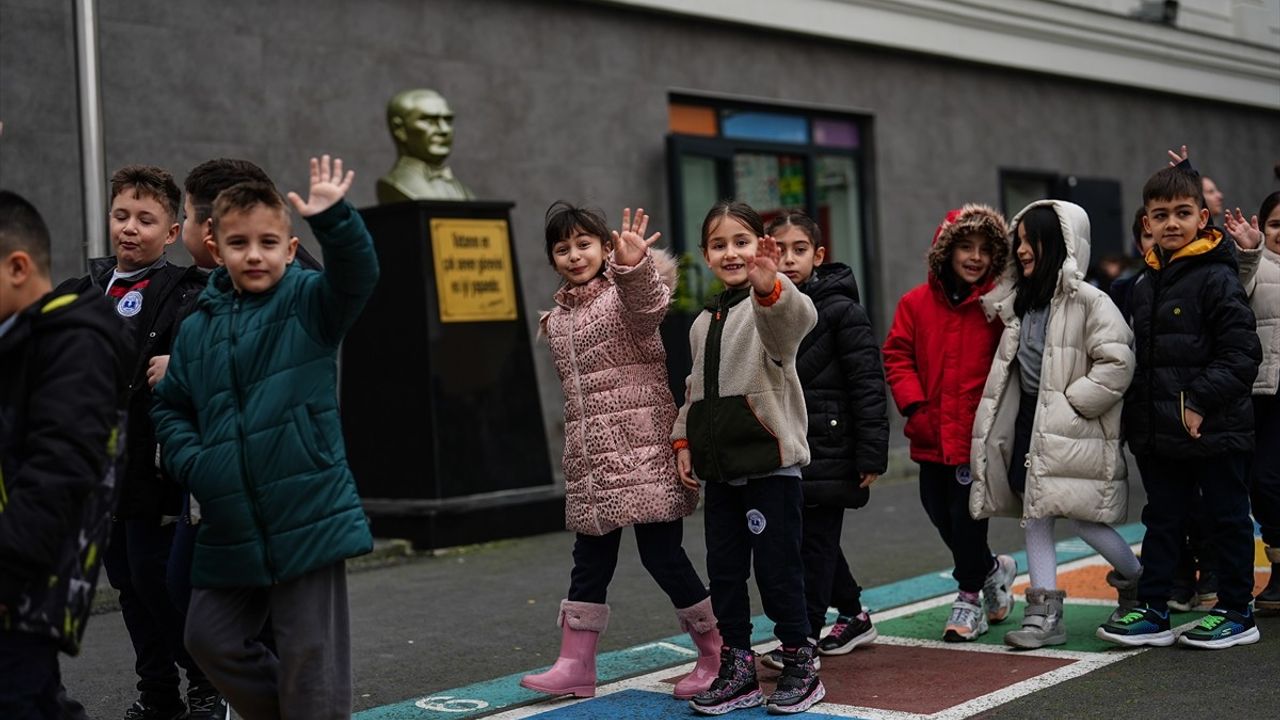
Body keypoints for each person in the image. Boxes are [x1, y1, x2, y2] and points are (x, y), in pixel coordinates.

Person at [151, 155, 378, 717]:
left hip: (306, 511)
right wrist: (196, 464)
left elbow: (358, 275)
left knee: (310, 662)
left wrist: (336, 218)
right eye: (240, 243)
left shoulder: (308, 302)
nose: (254, 254)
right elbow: (172, 405)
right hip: (230, 517)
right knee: (208, 638)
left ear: (289, 247)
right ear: (216, 245)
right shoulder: (199, 326)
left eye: (268, 242)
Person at [519, 203, 716, 701]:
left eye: (584, 243)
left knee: (662, 556)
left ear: (606, 249)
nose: (573, 254)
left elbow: (648, 303)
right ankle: (574, 665)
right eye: (561, 248)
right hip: (592, 463)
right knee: (589, 560)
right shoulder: (561, 315)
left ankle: (716, 651)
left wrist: (632, 266)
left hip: (642, 452)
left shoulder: (623, 297)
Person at [59, 165, 213, 720]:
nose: (130, 228)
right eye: (121, 215)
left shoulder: (184, 290)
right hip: (100, 474)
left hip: (154, 469)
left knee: (158, 583)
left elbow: (214, 345)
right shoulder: (85, 290)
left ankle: (205, 687)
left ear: (172, 233)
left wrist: (185, 363)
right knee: (125, 584)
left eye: (146, 220)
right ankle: (158, 694)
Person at [1097, 165, 1262, 650]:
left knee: (1227, 519)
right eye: (1161, 214)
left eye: (1183, 213)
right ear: (1146, 223)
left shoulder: (1217, 275)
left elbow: (1241, 353)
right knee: (1163, 518)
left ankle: (1237, 611)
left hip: (1216, 427)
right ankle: (1153, 608)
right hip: (1160, 432)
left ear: (1202, 217)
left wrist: (1198, 402)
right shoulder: (1146, 282)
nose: (1172, 223)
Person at [673, 201, 823, 715]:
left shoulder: (769, 306)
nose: (731, 252)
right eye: (719, 244)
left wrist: (769, 285)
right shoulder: (701, 323)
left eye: (741, 241)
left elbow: (794, 324)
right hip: (723, 473)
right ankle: (737, 664)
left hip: (770, 467)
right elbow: (694, 392)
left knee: (778, 569)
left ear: (762, 247)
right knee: (726, 571)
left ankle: (800, 658)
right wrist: (683, 441)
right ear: (705, 255)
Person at [969, 201, 1141, 648]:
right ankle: (1045, 614)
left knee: (1086, 520)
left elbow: (1118, 362)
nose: (1022, 249)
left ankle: (1140, 583)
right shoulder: (1021, 302)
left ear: (1061, 243)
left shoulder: (1089, 300)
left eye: (1031, 240)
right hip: (1033, 422)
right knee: (1036, 516)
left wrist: (1073, 403)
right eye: (1019, 240)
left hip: (1072, 425)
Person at [0, 190, 126, 718]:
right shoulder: (20, 338)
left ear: (17, 266)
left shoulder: (74, 340)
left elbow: (60, 470)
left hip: (20, 586)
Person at [882, 204, 1017, 643]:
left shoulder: (997, 307)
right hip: (929, 431)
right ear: (947, 251)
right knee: (938, 513)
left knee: (967, 518)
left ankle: (968, 598)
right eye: (965, 247)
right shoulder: (915, 304)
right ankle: (994, 568)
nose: (975, 257)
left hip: (976, 435)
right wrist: (914, 407)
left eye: (984, 249)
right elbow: (897, 355)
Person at [758, 210, 886, 672]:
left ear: (819, 255)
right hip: (786, 444)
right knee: (812, 540)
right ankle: (853, 614)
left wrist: (871, 452)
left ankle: (804, 636)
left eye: (800, 250)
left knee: (810, 544)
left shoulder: (841, 310)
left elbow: (867, 382)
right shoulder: (762, 305)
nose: (790, 260)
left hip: (831, 448)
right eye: (781, 250)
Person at [1224, 192, 1280, 611]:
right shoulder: (1254, 264)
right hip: (1263, 393)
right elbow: (1233, 298)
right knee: (1263, 485)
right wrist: (1248, 252)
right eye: (1277, 224)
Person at [376, 89, 475, 202]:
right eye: (429, 121)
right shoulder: (395, 184)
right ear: (399, 129)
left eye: (448, 120)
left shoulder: (463, 190)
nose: (444, 130)